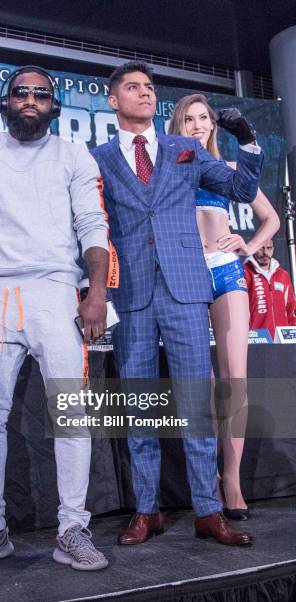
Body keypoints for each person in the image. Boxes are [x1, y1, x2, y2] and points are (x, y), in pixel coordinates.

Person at [0, 65, 110, 571]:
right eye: (21, 92)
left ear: (54, 106)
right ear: (5, 101)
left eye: (41, 93)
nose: (31, 99)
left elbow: (92, 223)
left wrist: (95, 292)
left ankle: (72, 529)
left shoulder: (72, 155)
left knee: (71, 415)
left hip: (57, 291)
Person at [92, 61, 263, 546]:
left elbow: (242, 190)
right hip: (134, 292)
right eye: (133, 87)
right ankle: (148, 510)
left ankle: (209, 512)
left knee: (194, 403)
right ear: (113, 99)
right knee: (143, 404)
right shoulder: (97, 157)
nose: (145, 94)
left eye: (149, 88)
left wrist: (247, 142)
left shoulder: (185, 149)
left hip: (188, 286)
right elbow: (88, 224)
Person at [168, 94, 279, 520]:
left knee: (236, 378)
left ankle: (231, 480)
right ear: (177, 126)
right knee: (205, 382)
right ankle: (207, 477)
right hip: (185, 276)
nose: (197, 125)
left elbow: (270, 218)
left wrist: (246, 245)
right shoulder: (171, 174)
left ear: (213, 126)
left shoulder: (229, 170)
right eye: (188, 119)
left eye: (203, 119)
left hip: (226, 270)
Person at [244, 239, 296, 339]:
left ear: (273, 249)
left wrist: (293, 332)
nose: (265, 253)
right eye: (261, 248)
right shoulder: (244, 273)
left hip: (282, 339)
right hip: (255, 338)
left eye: (269, 248)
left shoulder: (282, 275)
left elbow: (291, 309)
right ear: (254, 248)